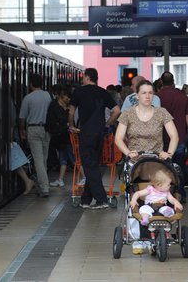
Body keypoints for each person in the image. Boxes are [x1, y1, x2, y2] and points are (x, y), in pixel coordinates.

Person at [115, 79, 178, 254]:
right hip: (136, 162)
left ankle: (160, 231)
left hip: (157, 162)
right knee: (135, 196)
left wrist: (169, 153)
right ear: (137, 95)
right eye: (144, 93)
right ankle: (138, 237)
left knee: (162, 195)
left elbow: (174, 136)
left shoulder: (161, 113)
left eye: (150, 93)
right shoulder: (127, 114)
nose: (148, 96)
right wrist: (128, 152)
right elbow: (118, 138)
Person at [68, 68, 120, 210]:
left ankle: (101, 200)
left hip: (86, 133)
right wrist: (107, 124)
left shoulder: (78, 91)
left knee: (89, 166)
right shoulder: (103, 92)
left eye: (83, 77)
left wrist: (71, 125)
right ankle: (86, 199)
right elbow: (116, 111)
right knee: (92, 164)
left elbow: (71, 112)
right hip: (100, 135)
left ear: (86, 77)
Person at [157, 71, 188, 203]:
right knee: (178, 167)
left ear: (161, 82)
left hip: (162, 139)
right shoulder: (183, 97)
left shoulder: (157, 97)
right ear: (173, 81)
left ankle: (164, 195)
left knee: (162, 169)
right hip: (179, 137)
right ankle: (180, 194)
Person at [19, 73, 52, 197]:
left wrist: (22, 130)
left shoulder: (28, 98)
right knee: (44, 158)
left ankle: (44, 188)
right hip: (46, 130)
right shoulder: (48, 96)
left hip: (33, 129)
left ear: (31, 84)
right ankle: (42, 184)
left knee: (38, 159)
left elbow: (22, 117)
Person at [46, 85, 73, 187]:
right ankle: (60, 179)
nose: (69, 99)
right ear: (62, 96)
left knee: (73, 158)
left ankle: (85, 177)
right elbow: (53, 122)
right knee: (64, 158)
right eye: (67, 97)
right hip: (62, 137)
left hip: (68, 137)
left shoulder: (67, 107)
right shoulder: (54, 107)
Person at [10, 98, 35, 195]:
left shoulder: (8, 102)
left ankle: (27, 180)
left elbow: (12, 121)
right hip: (10, 136)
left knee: (13, 160)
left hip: (9, 137)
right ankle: (27, 180)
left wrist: (11, 136)